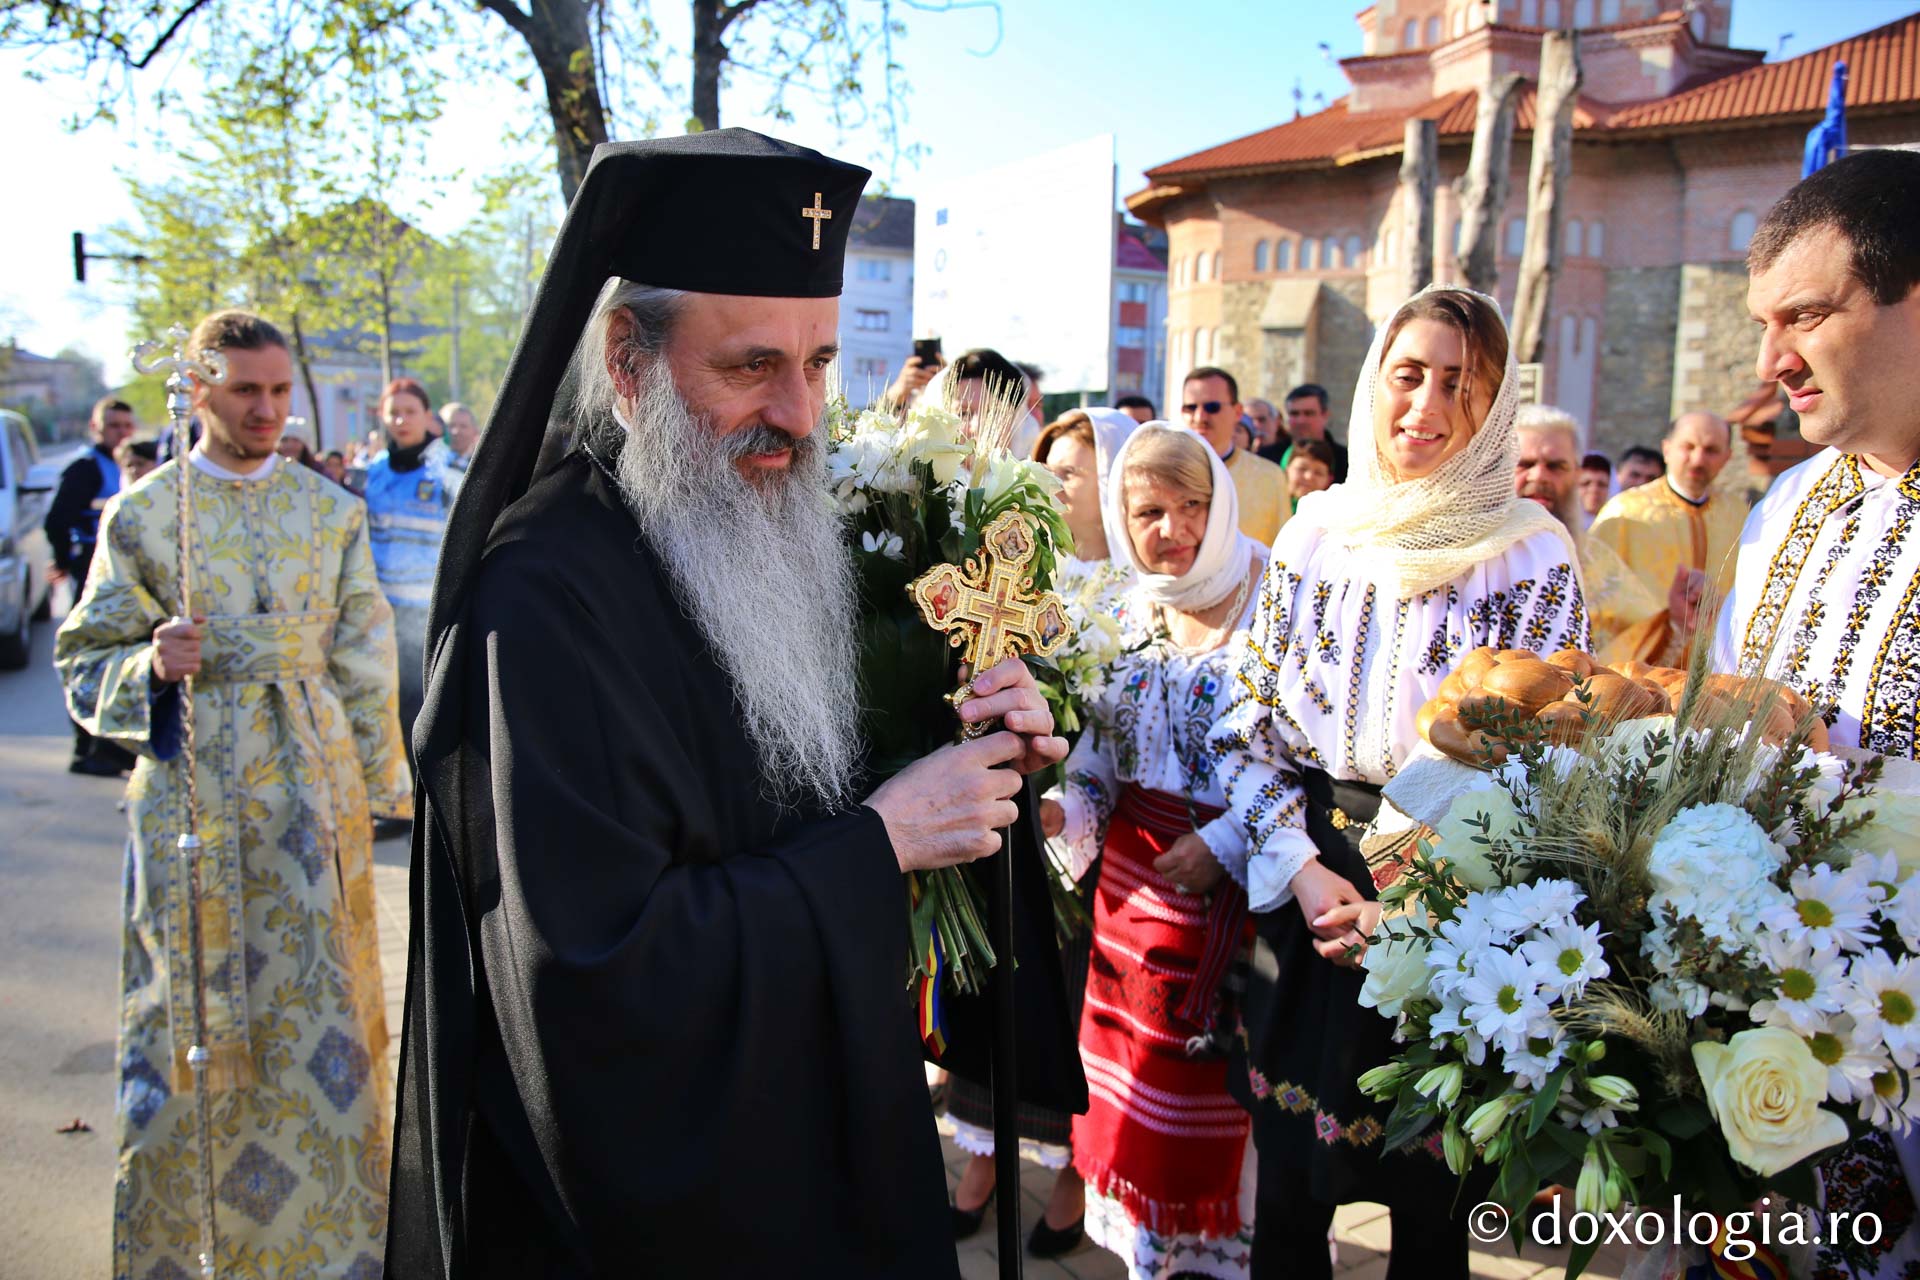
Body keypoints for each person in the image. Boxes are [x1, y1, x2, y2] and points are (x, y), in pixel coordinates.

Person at [386, 131, 1082, 1278]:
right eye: (752, 366)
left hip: (827, 1136)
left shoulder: (754, 527)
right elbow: (594, 975)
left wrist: (981, 766)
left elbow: (798, 795)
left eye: (818, 362)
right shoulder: (543, 600)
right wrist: (885, 841)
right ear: (626, 360)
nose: (802, 415)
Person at [1208, 287, 1586, 1280]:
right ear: (1375, 380)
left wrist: (1412, 908)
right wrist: (1298, 869)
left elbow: (1547, 765)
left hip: (1455, 898)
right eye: (1408, 374)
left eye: (1460, 383)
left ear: (1496, 405)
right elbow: (1247, 725)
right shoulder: (1314, 533)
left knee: (1430, 1203)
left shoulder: (1531, 550)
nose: (1425, 404)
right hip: (1313, 879)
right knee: (1289, 1193)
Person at [54, 309, 409, 1278]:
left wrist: (391, 789)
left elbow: (365, 657)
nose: (266, 409)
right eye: (245, 391)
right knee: (196, 1021)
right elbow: (82, 661)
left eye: (280, 391)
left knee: (319, 1013)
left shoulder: (330, 511)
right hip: (190, 802)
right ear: (200, 390)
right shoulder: (143, 513)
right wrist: (149, 666)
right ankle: (190, 1245)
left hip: (310, 794)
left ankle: (330, 1247)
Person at [1716, 146, 1920, 1280]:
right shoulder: (1785, 507)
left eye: (1806, 313)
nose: (1770, 360)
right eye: (1761, 320)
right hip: (1775, 1026)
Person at [1039, 422, 1263, 1279]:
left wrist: (1228, 843)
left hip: (1236, 905)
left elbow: (1306, 758)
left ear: (1220, 502)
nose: (1168, 531)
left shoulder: (1271, 594)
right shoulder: (1123, 611)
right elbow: (1097, 758)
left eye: (1189, 507)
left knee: (1224, 1110)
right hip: (1132, 903)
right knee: (1133, 1102)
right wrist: (1063, 813)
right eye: (1145, 513)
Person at [944, 406, 1140, 1257]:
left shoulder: (1140, 597)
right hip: (1019, 827)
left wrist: (1077, 804)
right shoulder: (1026, 573)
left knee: (1070, 1010)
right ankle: (981, 1165)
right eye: (1048, 467)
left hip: (1096, 844)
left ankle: (1071, 1176)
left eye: (1076, 471)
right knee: (1001, 990)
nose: (1058, 485)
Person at [1586, 411, 1741, 665]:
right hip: (1642, 669)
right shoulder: (1625, 512)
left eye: (1711, 450)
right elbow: (1595, 599)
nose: (1698, 459)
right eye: (1688, 447)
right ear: (1667, 450)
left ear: (1727, 457)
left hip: (1720, 669)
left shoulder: (1740, 515)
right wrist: (1668, 625)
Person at [1515, 406, 1659, 657]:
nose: (1539, 476)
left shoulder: (1596, 558)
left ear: (1575, 475)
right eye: (1524, 464)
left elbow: (1644, 633)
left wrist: (1677, 622)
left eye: (1556, 466)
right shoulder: (1469, 552)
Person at [44, 395, 138, 776]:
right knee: (91, 660)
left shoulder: (133, 463)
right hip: (92, 577)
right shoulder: (85, 468)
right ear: (96, 428)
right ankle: (87, 749)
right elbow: (56, 520)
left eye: (125, 426)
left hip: (123, 577)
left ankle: (110, 746)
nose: (120, 433)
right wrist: (65, 561)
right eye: (113, 426)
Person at [362, 376, 455, 738]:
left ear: (428, 416)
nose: (401, 421)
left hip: (429, 613)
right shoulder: (374, 472)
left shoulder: (447, 472)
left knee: (423, 714)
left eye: (410, 412)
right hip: (384, 612)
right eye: (393, 413)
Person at [1181, 366, 1291, 548]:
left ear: (1237, 412)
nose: (1200, 417)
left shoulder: (1269, 477)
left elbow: (1284, 551)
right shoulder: (1164, 472)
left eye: (1212, 407)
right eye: (1191, 408)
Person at [1278, 384, 1349, 481]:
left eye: (1309, 413)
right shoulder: (1269, 456)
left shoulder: (1347, 461)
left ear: (1325, 415)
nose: (1301, 421)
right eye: (1294, 414)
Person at [440, 400, 480, 476]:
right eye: (451, 425)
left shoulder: (480, 465)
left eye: (463, 426)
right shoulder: (431, 463)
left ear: (475, 431)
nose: (456, 432)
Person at [1578, 451, 1613, 516]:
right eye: (1586, 483)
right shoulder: (1557, 524)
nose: (1594, 490)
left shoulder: (1621, 524)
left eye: (1601, 484)